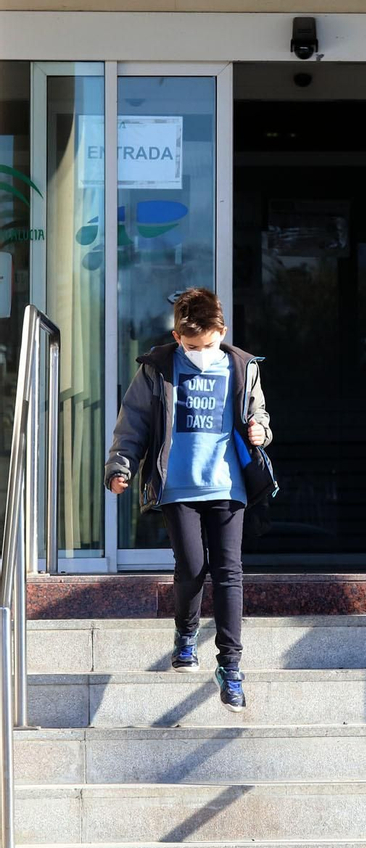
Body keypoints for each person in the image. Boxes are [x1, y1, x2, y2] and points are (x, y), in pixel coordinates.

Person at [104, 288, 274, 713]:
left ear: (222, 331)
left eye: (209, 343)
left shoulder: (241, 366)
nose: (201, 352)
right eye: (192, 345)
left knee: (229, 572)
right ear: (178, 336)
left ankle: (230, 667)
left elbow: (260, 416)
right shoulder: (158, 368)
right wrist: (120, 466)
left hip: (227, 485)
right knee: (193, 566)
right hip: (177, 486)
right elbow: (134, 422)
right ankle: (185, 634)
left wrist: (260, 432)